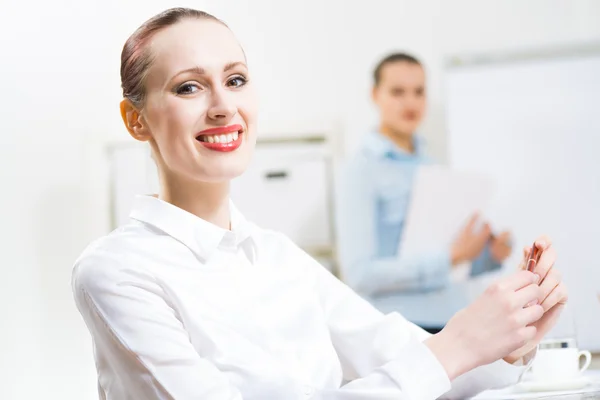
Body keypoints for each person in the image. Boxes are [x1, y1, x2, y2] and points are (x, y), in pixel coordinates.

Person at [71, 8, 568, 400]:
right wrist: (457, 345)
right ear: (136, 120)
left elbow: (401, 353)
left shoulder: (276, 255)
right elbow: (434, 361)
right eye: (189, 86)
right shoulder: (117, 271)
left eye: (236, 79)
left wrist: (510, 342)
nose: (223, 104)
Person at [335, 52, 513, 299]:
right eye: (398, 92)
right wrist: (451, 257)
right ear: (375, 95)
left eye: (419, 92)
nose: (411, 103)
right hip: (400, 326)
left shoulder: (432, 165)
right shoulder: (360, 169)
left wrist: (489, 256)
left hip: (448, 320)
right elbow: (360, 275)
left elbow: (450, 268)